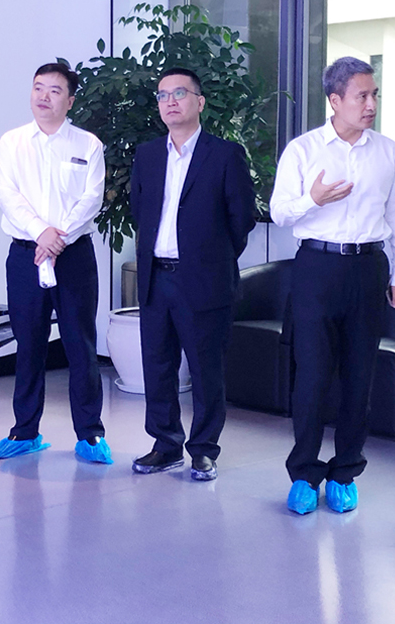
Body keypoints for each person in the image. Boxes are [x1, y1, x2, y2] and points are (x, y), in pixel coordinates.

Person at [271, 56, 395, 515]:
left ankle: (345, 472)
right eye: (361, 96)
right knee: (312, 377)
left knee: (359, 377)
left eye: (374, 95)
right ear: (335, 100)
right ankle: (304, 474)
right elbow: (279, 212)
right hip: (316, 267)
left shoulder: (387, 151)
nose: (371, 105)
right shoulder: (304, 150)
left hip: (368, 269)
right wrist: (312, 199)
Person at [130, 67, 255, 481]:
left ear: (199, 102)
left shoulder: (225, 154)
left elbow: (242, 218)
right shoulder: (148, 154)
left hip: (203, 279)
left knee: (205, 371)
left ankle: (203, 449)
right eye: (163, 95)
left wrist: (211, 258)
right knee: (158, 366)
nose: (169, 102)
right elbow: (139, 212)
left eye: (179, 93)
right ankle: (165, 444)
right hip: (156, 278)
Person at [0, 62, 112, 464]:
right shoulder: (11, 143)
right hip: (26, 254)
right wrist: (41, 233)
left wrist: (58, 239)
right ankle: (25, 432)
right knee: (28, 344)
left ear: (70, 101)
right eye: (38, 88)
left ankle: (90, 434)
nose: (43, 96)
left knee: (80, 344)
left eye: (54, 91)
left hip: (73, 256)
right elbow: (7, 194)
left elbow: (92, 198)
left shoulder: (88, 145)